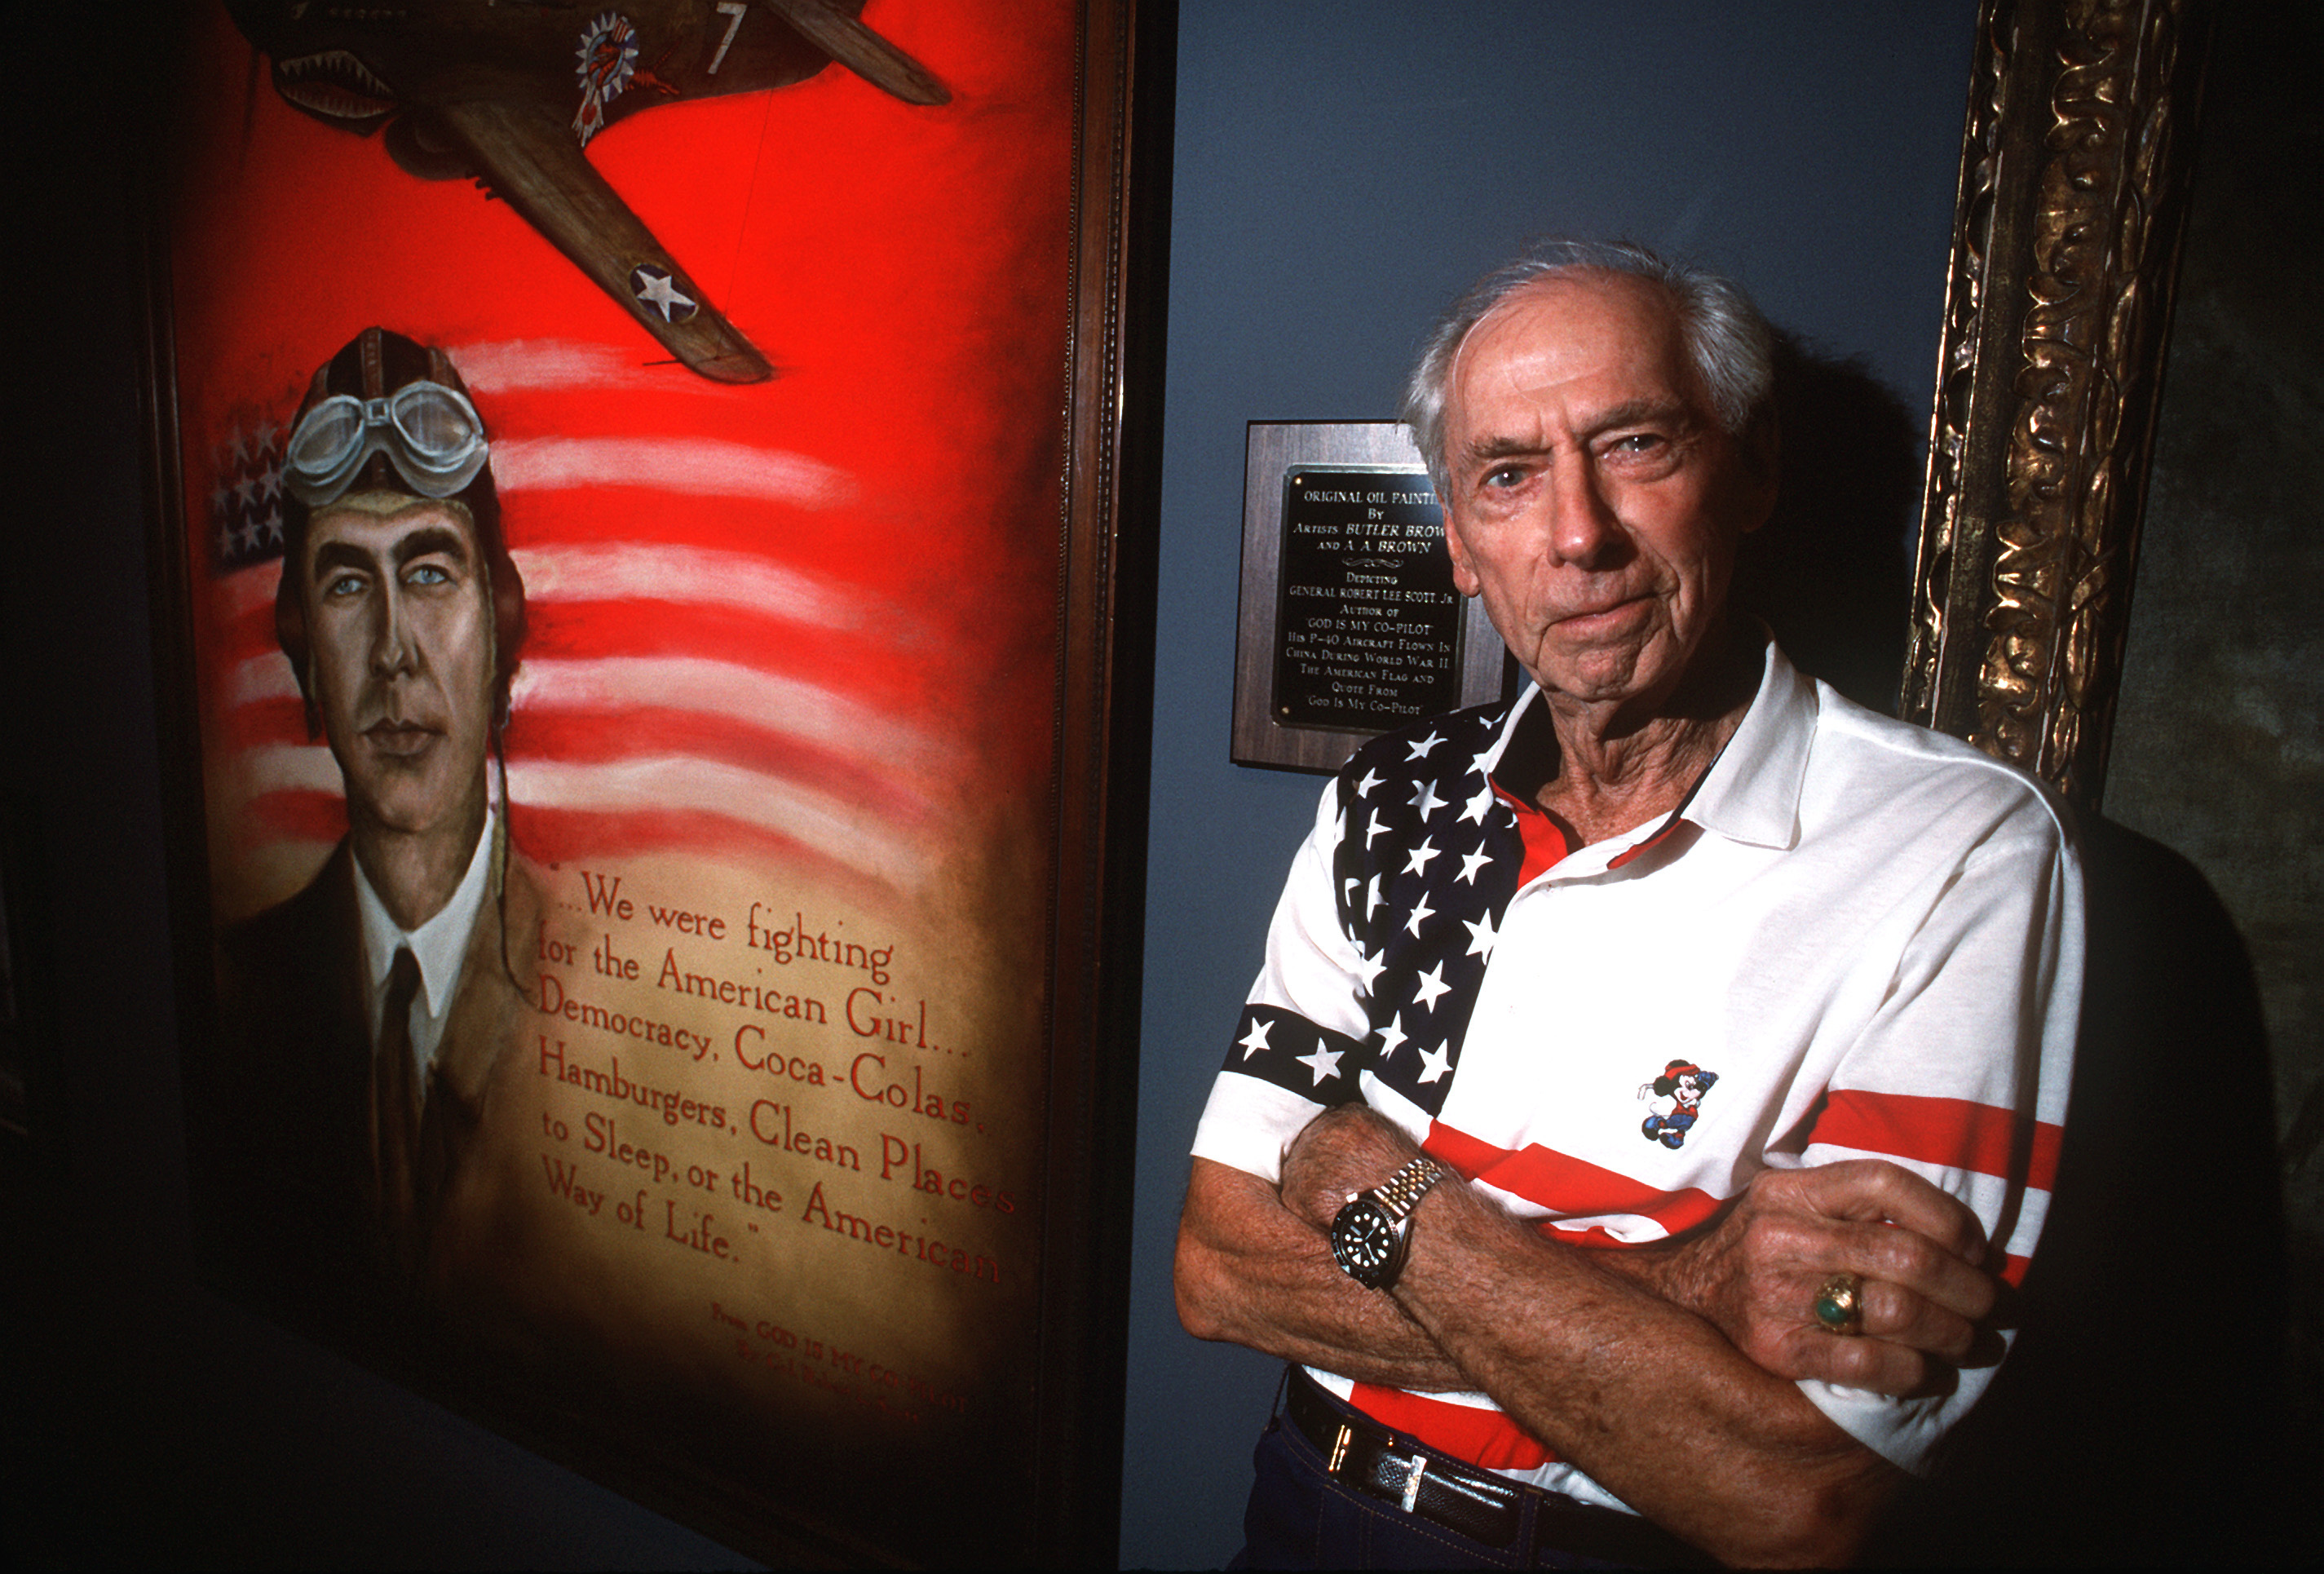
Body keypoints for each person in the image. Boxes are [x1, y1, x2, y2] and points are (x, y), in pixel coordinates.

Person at [1175, 242, 2081, 1567]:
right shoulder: (1396, 801)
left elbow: (1801, 1488)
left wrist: (1359, 1172)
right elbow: (1219, 1270)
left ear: (1754, 471)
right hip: (1308, 1501)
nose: (1578, 533)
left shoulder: (1958, 849)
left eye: (1637, 445)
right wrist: (1685, 1288)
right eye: (1507, 474)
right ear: (1462, 548)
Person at [207, 325, 544, 1312]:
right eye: (349, 583)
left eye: (432, 572)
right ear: (304, 653)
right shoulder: (236, 993)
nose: (395, 650)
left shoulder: (599, 978)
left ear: (503, 631)